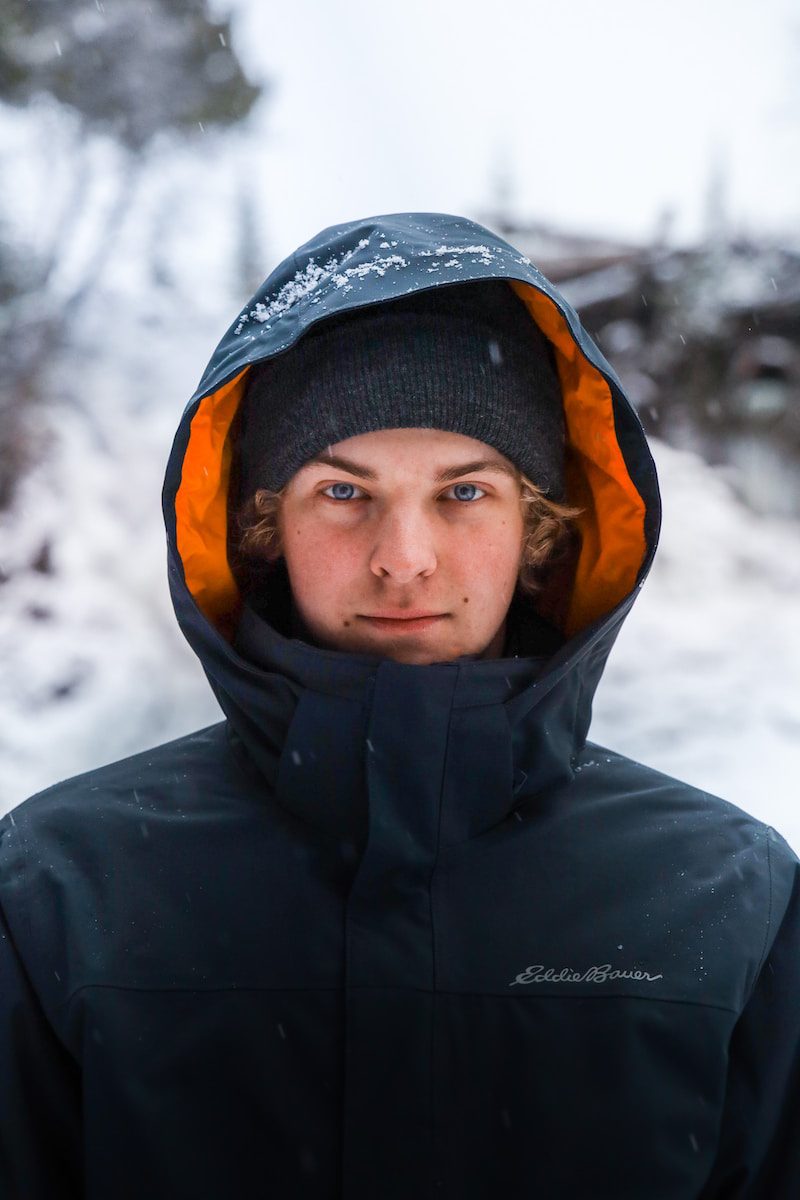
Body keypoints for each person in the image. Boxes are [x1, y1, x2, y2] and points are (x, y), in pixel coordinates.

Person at [0, 211, 798, 1199]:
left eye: (463, 494)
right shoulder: (61, 893)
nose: (403, 557)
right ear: (261, 524)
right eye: (342, 493)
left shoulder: (726, 899)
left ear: (540, 528)